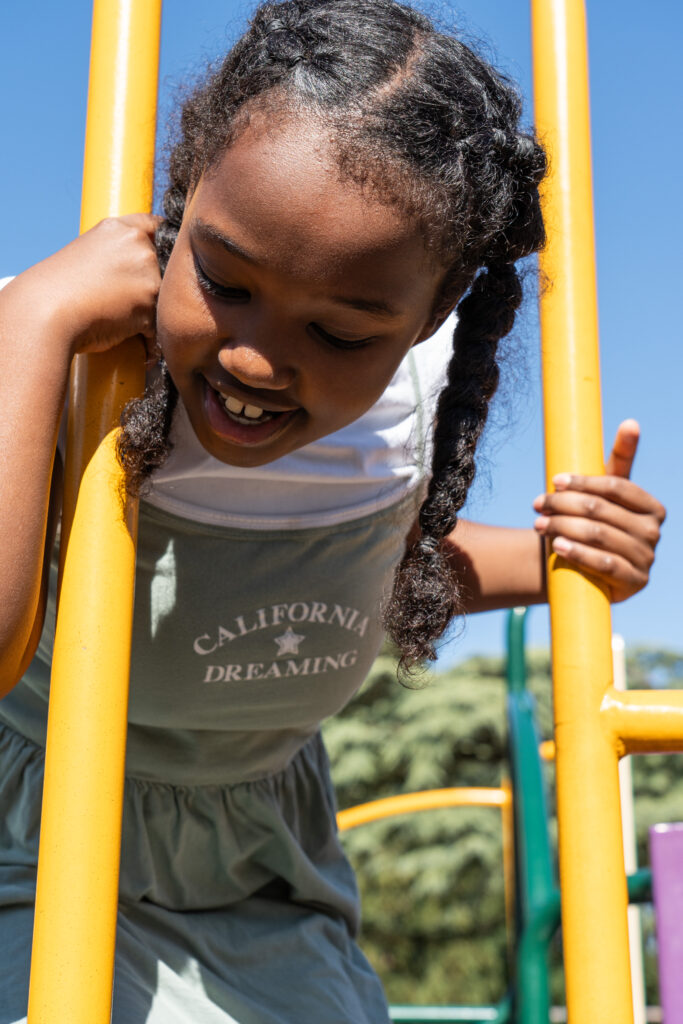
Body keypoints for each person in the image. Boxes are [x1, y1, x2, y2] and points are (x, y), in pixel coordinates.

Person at [0, 1, 665, 1021]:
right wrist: (32, 322)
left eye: (342, 331)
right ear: (181, 201)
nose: (257, 356)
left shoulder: (406, 407)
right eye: (224, 282)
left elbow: (357, 571)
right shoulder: (63, 361)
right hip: (38, 835)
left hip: (266, 866)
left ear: (427, 319)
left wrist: (561, 556)